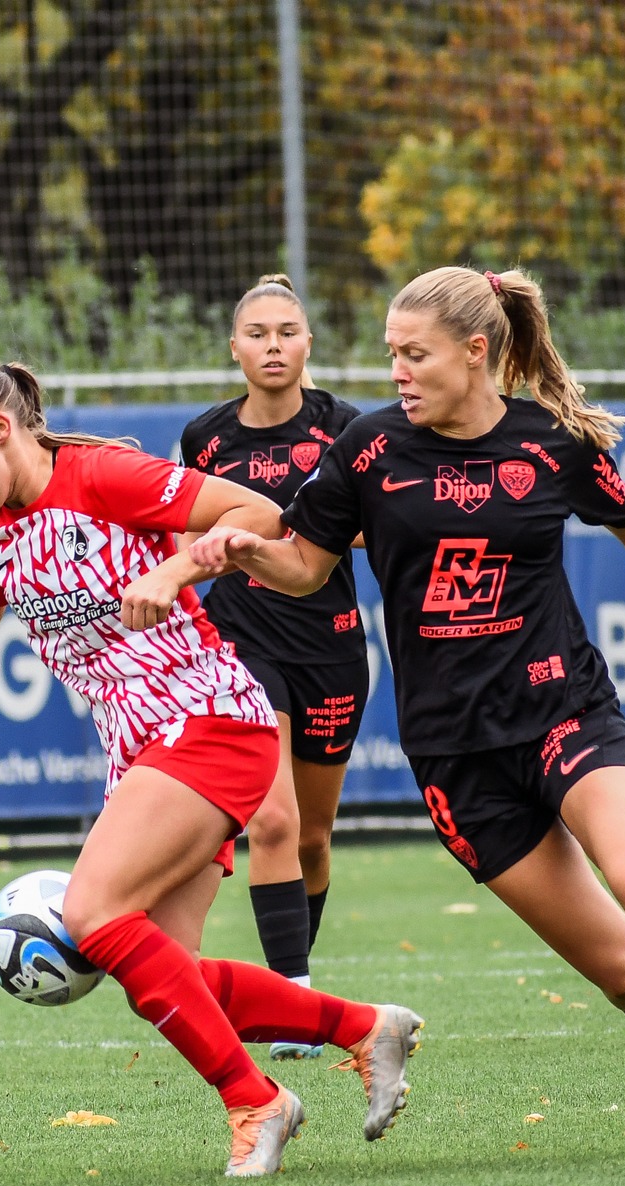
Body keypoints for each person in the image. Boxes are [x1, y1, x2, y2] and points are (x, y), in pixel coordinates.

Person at [192, 266, 625, 1158]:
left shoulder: (548, 441)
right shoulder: (366, 449)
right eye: (392, 354)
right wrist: (239, 551)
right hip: (455, 758)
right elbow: (305, 565)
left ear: (477, 352)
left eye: (415, 354)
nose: (397, 371)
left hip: (566, 710)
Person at [0, 350, 424, 1177]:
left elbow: (261, 515)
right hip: (140, 747)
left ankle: (256, 1100)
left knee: (93, 912)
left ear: (1, 429)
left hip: (211, 717)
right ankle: (365, 1026)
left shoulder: (104, 475)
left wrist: (181, 563)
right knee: (171, 974)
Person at [178, 274, 366, 1061]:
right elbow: (180, 521)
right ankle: (292, 997)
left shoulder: (350, 430)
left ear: (308, 343)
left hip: (330, 645)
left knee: (315, 837)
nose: (273, 345)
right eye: (257, 333)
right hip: (240, 643)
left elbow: (377, 525)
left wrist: (312, 532)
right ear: (235, 348)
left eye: (287, 331)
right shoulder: (204, 437)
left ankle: (296, 984)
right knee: (274, 821)